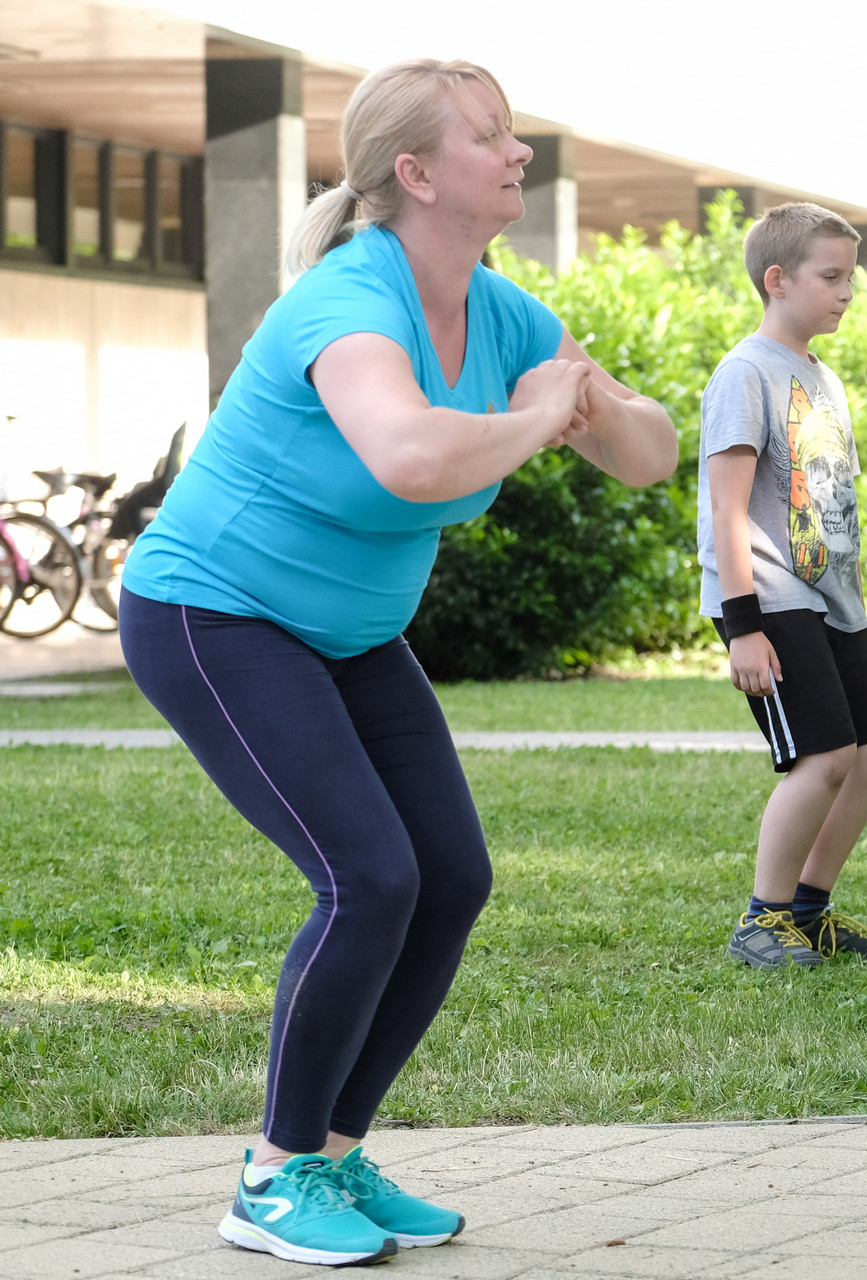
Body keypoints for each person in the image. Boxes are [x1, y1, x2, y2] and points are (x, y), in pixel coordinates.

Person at [119, 59, 678, 1267]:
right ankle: (273, 1177)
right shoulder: (348, 301)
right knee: (369, 877)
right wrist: (536, 418)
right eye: (492, 135)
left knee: (452, 876)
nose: (519, 152)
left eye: (513, 132)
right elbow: (411, 457)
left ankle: (331, 1149)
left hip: (352, 634)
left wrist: (584, 397)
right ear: (416, 173)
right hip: (214, 612)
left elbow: (650, 452)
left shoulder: (501, 311)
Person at [699, 202, 867, 969]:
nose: (847, 291)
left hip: (831, 600)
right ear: (777, 279)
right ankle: (763, 918)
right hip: (770, 598)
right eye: (831, 276)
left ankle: (809, 909)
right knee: (823, 755)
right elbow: (727, 507)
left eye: (851, 276)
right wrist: (743, 625)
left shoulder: (822, 378)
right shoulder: (745, 372)